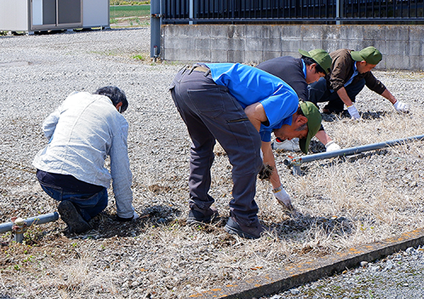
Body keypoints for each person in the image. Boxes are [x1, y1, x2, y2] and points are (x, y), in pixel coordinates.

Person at [169, 63, 321, 239]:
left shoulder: (270, 116)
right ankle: (243, 219)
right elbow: (250, 114)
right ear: (301, 121)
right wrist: (252, 153)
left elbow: (266, 153)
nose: (289, 140)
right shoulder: (290, 100)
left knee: (202, 145)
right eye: (300, 136)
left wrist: (278, 189)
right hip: (206, 86)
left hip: (183, 82)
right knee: (247, 150)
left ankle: (199, 210)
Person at [32, 86, 137, 234]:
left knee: (71, 185)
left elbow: (47, 126)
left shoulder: (75, 97)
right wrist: (126, 214)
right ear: (119, 105)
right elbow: (120, 170)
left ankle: (72, 204)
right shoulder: (116, 117)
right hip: (81, 185)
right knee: (101, 200)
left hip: (47, 177)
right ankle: (81, 213)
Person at [256, 49, 339, 210]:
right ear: (312, 67)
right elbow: (306, 115)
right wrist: (328, 143)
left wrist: (278, 189)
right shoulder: (298, 82)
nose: (317, 81)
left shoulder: (290, 62)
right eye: (319, 76)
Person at [308, 46, 410, 119]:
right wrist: (350, 106)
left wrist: (396, 103)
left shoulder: (362, 69)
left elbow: (375, 85)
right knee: (319, 81)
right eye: (370, 67)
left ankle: (333, 109)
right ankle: (310, 110)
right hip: (318, 89)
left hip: (331, 92)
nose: (370, 70)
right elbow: (336, 82)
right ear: (362, 62)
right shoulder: (343, 58)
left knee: (360, 82)